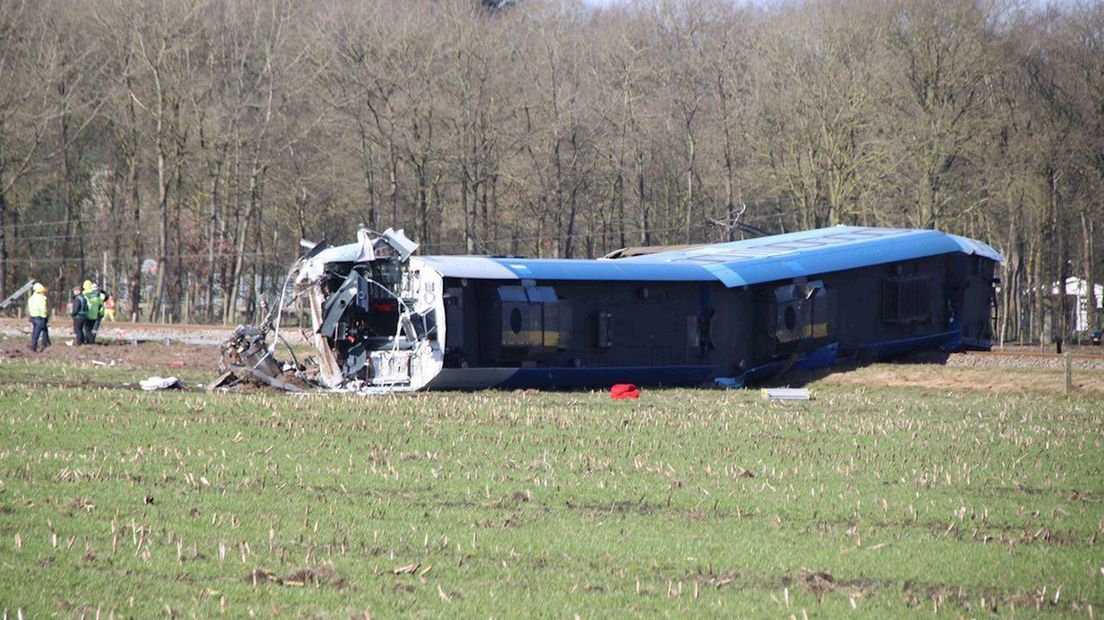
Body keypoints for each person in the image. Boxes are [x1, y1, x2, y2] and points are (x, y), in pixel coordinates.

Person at [27, 282, 51, 352]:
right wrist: (45, 317)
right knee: (39, 332)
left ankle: (46, 343)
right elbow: (43, 308)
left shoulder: (31, 298)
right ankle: (35, 346)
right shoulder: (42, 298)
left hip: (33, 317)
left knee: (37, 332)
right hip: (40, 317)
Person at [81, 280, 105, 344]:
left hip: (89, 314)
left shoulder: (85, 294)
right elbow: (101, 305)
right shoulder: (98, 295)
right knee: (93, 329)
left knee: (87, 329)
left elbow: (86, 304)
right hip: (96, 314)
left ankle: (90, 341)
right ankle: (91, 340)